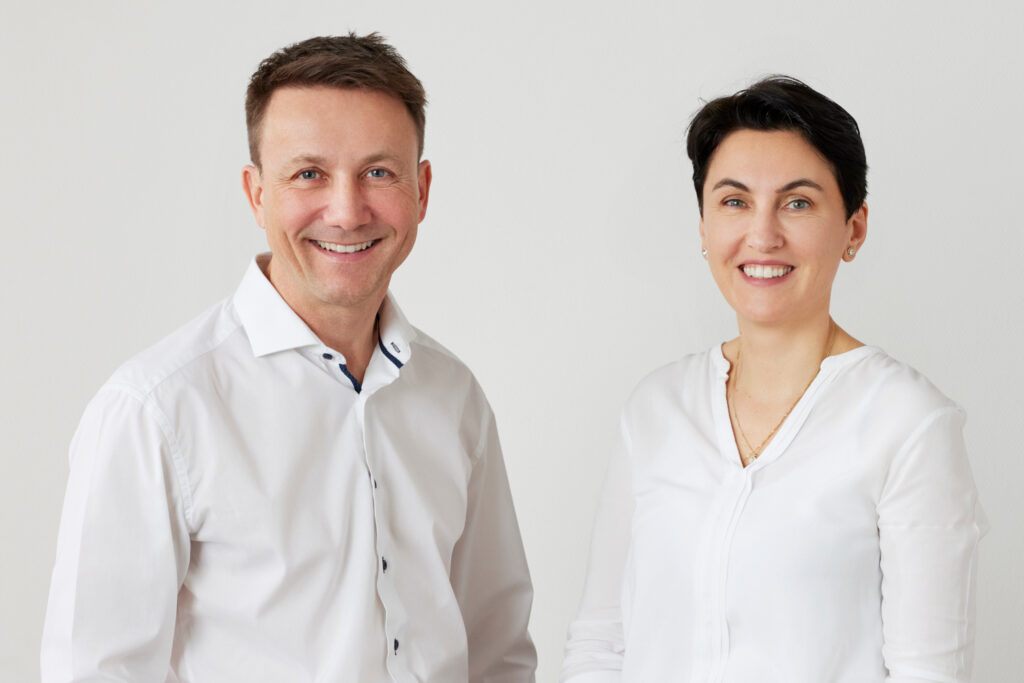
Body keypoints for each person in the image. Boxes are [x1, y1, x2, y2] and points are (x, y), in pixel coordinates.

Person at [41, 34, 536, 682]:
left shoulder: (453, 396)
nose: (347, 211)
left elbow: (496, 654)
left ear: (421, 189)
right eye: (309, 174)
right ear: (256, 194)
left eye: (378, 173)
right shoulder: (155, 410)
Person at [560, 76, 985, 682]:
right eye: (734, 202)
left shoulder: (908, 424)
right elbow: (601, 643)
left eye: (797, 202)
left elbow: (929, 674)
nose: (762, 235)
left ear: (854, 228)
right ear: (703, 226)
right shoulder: (656, 409)